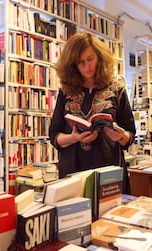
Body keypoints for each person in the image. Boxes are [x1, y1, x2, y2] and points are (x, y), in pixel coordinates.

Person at [49, 31, 136, 194]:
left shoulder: (117, 90)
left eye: (90, 59)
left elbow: (130, 136)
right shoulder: (65, 92)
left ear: (99, 57)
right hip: (72, 174)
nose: (86, 67)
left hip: (109, 172)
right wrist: (74, 138)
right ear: (72, 65)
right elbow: (54, 135)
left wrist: (121, 135)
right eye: (80, 62)